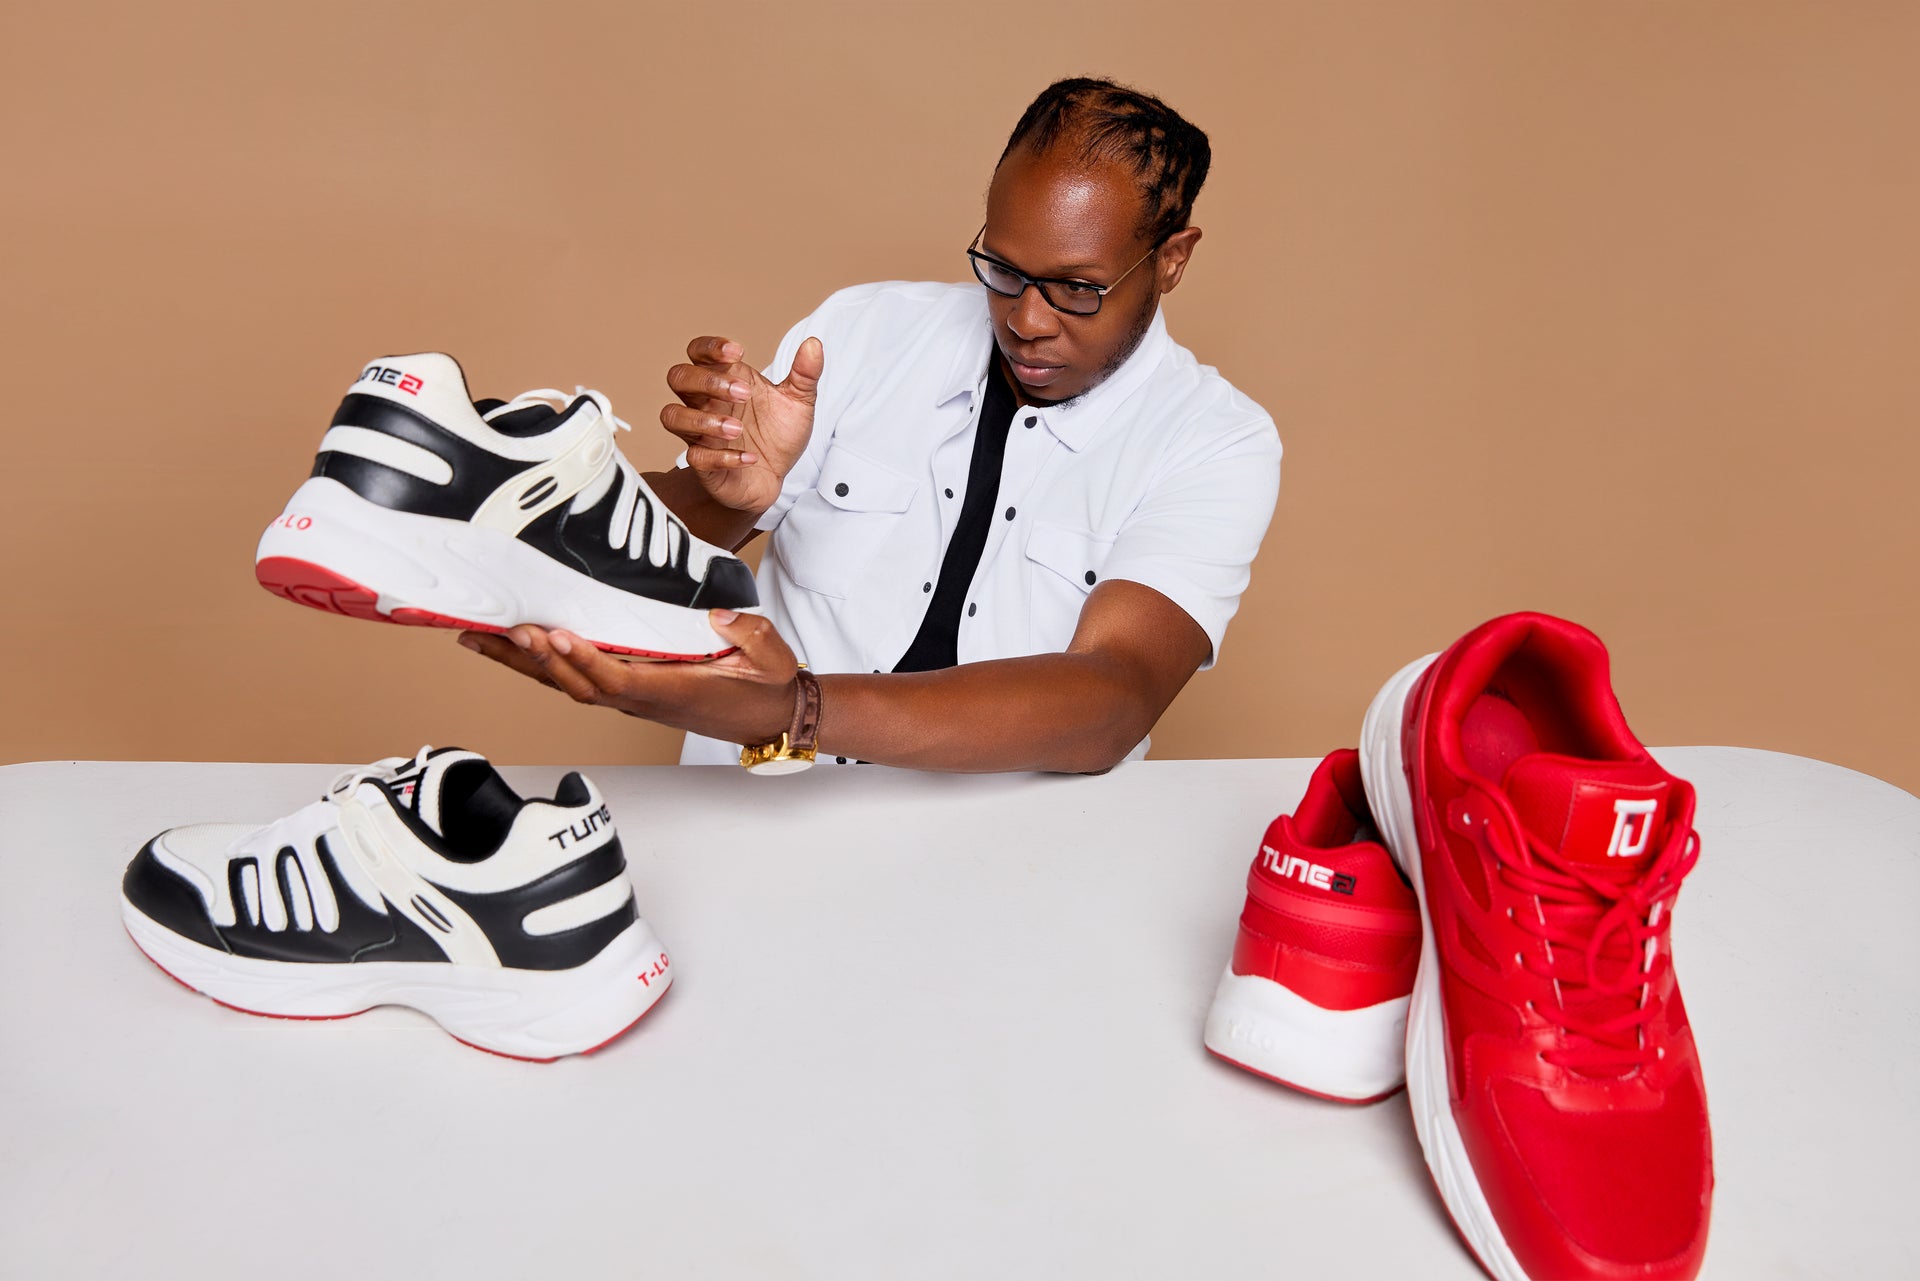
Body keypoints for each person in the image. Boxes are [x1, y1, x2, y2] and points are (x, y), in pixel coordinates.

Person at [460, 78, 1281, 775]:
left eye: (1076, 289)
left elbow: (1114, 697)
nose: (1027, 320)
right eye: (1003, 269)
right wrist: (729, 500)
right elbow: (661, 561)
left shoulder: (1215, 441)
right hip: (757, 817)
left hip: (1013, 859)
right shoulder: (864, 333)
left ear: (1172, 259)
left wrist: (798, 710)